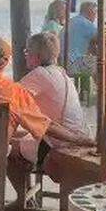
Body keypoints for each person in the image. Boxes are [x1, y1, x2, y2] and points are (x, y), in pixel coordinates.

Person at [16, 32, 88, 164]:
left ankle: (22, 185)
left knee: (9, 148)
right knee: (20, 137)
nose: (25, 57)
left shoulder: (39, 74)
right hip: (77, 135)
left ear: (36, 57)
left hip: (61, 143)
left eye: (27, 52)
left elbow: (12, 98)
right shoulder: (60, 72)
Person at [65, 1, 98, 74]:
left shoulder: (73, 20)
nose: (95, 16)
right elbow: (101, 39)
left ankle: (86, 83)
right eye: (95, 13)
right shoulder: (85, 23)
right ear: (90, 12)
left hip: (64, 61)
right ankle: (104, 85)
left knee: (92, 48)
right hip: (74, 63)